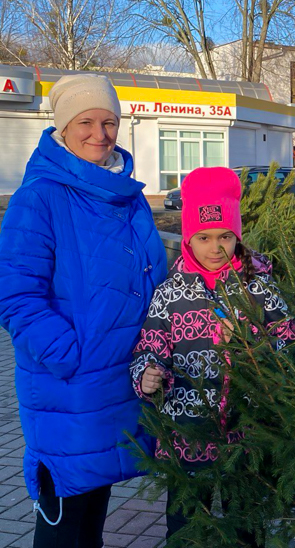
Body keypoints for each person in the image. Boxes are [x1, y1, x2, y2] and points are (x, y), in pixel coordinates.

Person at [0, 74, 168, 547]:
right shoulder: (40, 197)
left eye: (109, 122)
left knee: (91, 515)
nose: (100, 134)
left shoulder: (125, 194)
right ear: (62, 127)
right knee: (65, 522)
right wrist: (71, 356)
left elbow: (150, 277)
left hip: (122, 381)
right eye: (86, 122)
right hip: (71, 386)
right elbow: (15, 296)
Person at [129, 167, 295, 542]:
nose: (215, 248)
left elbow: (288, 342)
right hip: (187, 432)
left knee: (246, 525)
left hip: (247, 430)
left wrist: (252, 346)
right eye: (203, 237)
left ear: (237, 237)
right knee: (187, 526)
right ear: (189, 239)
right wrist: (147, 374)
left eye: (226, 236)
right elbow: (150, 345)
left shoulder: (258, 287)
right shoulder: (170, 293)